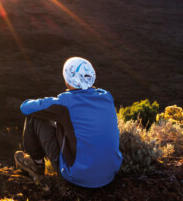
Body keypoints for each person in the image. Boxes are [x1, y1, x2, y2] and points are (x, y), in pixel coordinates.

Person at [14, 57, 122, 188]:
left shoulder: (66, 102)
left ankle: (35, 164)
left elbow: (25, 107)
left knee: (35, 117)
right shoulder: (106, 96)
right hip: (109, 174)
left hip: (76, 176)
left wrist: (50, 101)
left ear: (67, 79)